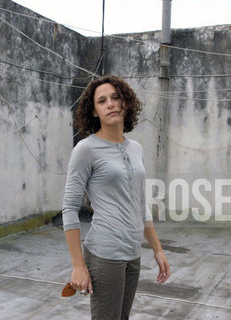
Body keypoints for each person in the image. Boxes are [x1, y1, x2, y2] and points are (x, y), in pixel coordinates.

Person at [62, 75, 170, 319]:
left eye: (115, 97)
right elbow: (69, 207)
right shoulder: (86, 149)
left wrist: (157, 249)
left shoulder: (136, 148)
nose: (110, 104)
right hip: (105, 253)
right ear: (94, 111)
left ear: (126, 103)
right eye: (102, 101)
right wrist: (78, 265)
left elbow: (139, 204)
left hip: (133, 252)